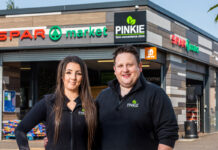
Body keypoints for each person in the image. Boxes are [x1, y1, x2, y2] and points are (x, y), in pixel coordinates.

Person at [96, 45, 179, 150]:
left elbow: (168, 133)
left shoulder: (156, 94)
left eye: (129, 65)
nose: (125, 70)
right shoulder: (103, 96)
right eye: (120, 66)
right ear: (114, 70)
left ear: (139, 67)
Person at [15, 56, 97, 150]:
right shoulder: (48, 103)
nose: (73, 77)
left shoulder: (92, 106)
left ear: (83, 78)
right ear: (62, 76)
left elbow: (99, 138)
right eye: (68, 72)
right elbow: (20, 130)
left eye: (78, 73)